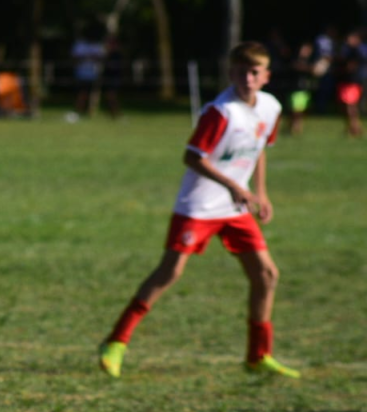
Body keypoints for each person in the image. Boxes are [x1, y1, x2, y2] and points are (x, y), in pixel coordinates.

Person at [99, 42, 300, 380]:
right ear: (230, 72)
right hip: (199, 205)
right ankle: (115, 342)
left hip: (235, 208)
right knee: (170, 272)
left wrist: (261, 193)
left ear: (266, 76)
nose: (247, 78)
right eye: (240, 71)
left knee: (266, 275)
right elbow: (193, 157)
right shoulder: (220, 112)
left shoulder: (271, 108)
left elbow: (260, 148)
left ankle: (258, 355)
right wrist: (234, 185)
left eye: (254, 72)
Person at [334, 30, 364, 138]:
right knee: (345, 106)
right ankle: (353, 126)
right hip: (344, 80)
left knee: (350, 105)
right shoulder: (345, 49)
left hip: (353, 81)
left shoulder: (360, 49)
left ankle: (354, 127)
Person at [71, 25, 106, 117]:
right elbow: (75, 59)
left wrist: (91, 57)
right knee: (82, 93)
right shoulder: (80, 45)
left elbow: (102, 58)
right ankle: (79, 111)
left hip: (94, 74)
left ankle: (91, 112)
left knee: (94, 94)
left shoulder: (98, 45)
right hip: (81, 74)